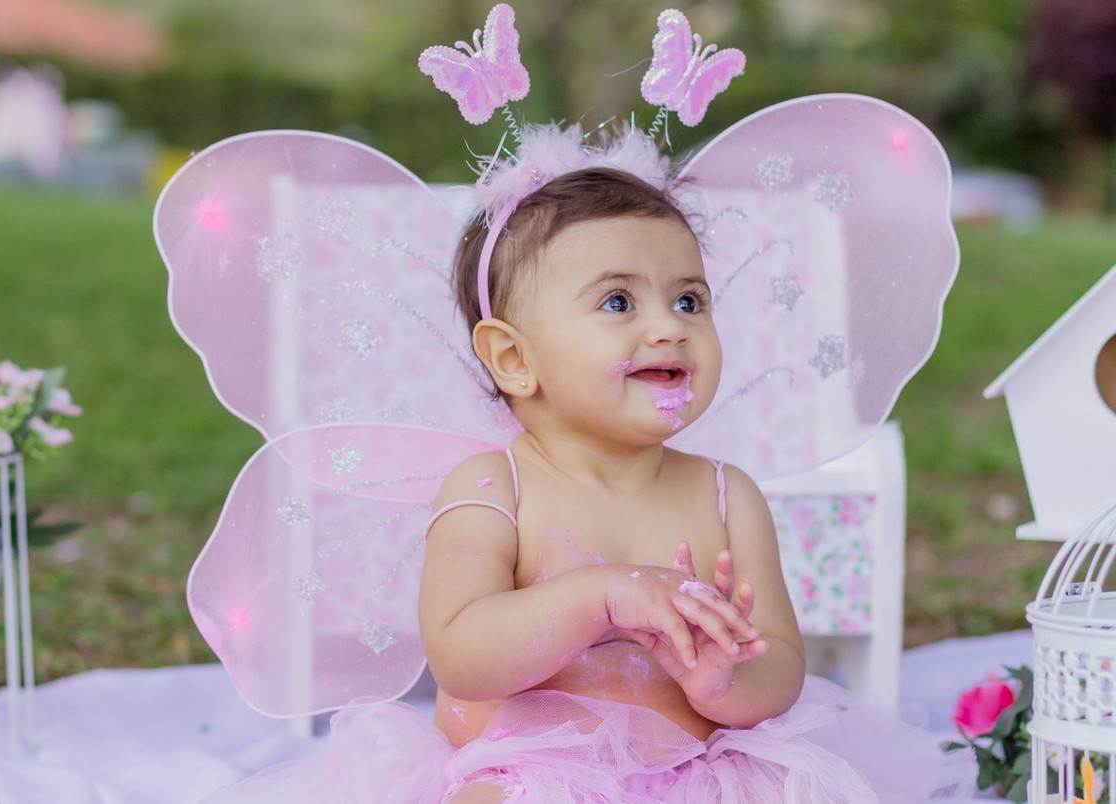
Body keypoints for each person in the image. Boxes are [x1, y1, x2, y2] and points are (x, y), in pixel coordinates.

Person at [160, 6, 974, 800]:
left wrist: (724, 680)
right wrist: (602, 597)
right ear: (514, 359)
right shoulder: (494, 489)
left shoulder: (728, 496)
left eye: (690, 300)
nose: (669, 326)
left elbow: (782, 666)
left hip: (699, 774)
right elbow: (462, 654)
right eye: (618, 302)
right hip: (530, 774)